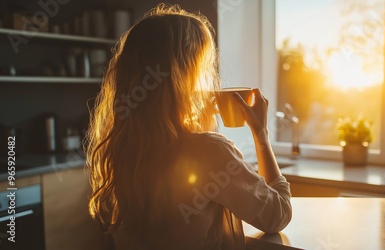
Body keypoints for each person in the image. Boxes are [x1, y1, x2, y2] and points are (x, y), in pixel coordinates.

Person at [85, 4, 292, 250]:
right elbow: (277, 215)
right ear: (183, 78)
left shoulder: (124, 147)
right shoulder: (210, 152)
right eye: (202, 68)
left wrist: (198, 120)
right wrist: (261, 135)